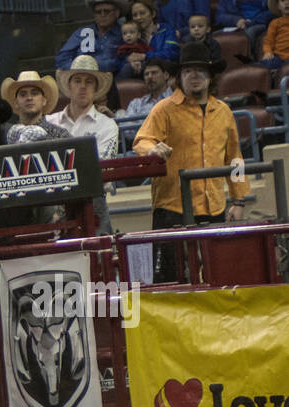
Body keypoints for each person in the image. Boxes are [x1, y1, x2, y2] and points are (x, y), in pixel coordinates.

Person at [134, 41, 249, 279]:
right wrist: (153, 150)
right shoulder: (164, 109)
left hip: (214, 205)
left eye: (200, 70)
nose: (194, 75)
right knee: (169, 276)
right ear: (179, 77)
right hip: (172, 206)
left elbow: (235, 157)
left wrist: (238, 200)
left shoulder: (224, 111)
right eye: (188, 71)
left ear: (210, 75)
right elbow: (142, 140)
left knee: (218, 273)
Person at [50, 56, 119, 234]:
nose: (83, 86)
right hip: (54, 203)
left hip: (93, 202)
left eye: (89, 82)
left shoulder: (107, 124)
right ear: (69, 86)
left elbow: (102, 170)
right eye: (78, 81)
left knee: (100, 258)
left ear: (95, 89)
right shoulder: (49, 122)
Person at [57, 1, 127, 71]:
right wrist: (79, 69)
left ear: (117, 13)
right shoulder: (81, 33)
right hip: (81, 77)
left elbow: (129, 59)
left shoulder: (125, 33)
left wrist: (101, 66)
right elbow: (62, 59)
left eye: (107, 11)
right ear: (94, 15)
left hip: (115, 78)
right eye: (98, 12)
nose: (102, 15)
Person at [1, 71, 69, 141]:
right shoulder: (6, 136)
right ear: (16, 103)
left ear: (44, 101)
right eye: (23, 94)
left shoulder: (59, 135)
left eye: (34, 93)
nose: (29, 98)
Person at [261, 0, 289, 76]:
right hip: (278, 57)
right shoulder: (275, 23)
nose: (287, 3)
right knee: (259, 67)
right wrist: (268, 52)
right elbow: (268, 42)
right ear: (278, 6)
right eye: (283, 0)